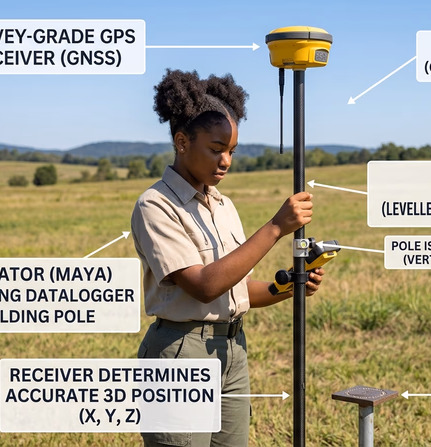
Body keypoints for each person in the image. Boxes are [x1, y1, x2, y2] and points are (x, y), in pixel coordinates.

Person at [130, 69, 325, 447]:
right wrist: (275, 227)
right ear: (182, 141)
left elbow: (233, 288)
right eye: (216, 148)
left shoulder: (223, 205)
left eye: (232, 151)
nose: (226, 161)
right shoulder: (155, 205)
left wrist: (287, 285)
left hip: (232, 350)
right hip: (181, 355)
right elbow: (204, 286)